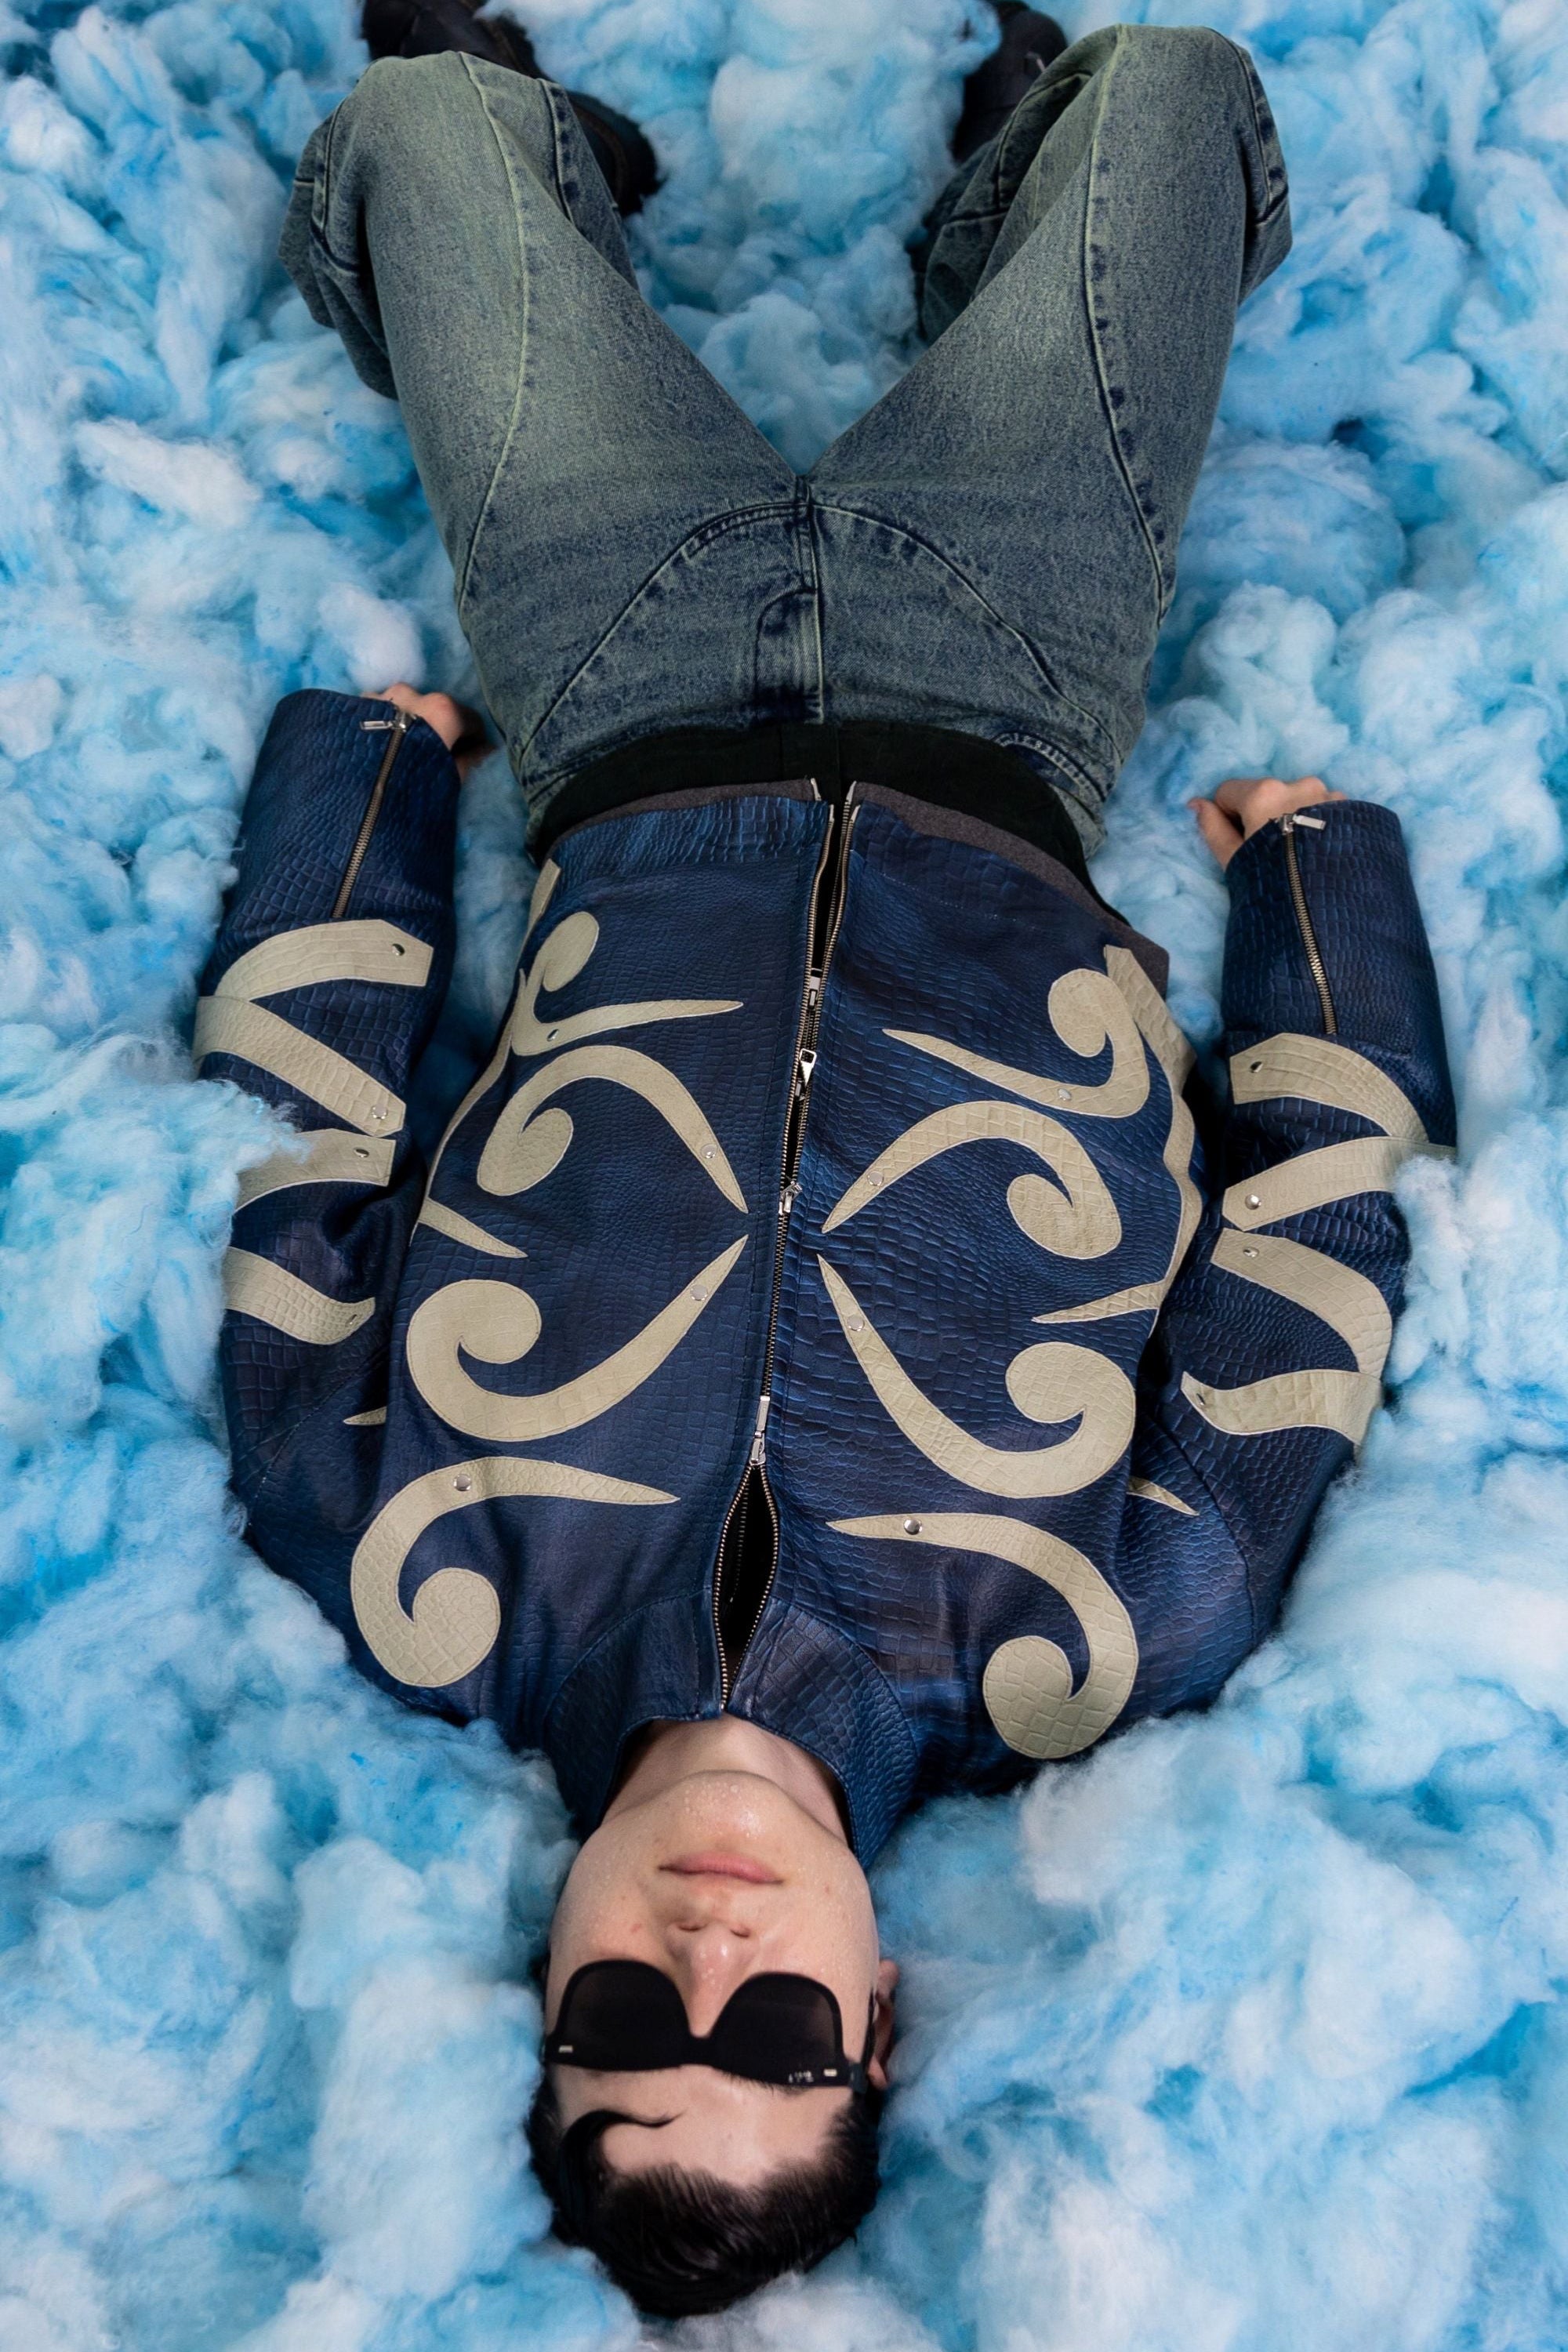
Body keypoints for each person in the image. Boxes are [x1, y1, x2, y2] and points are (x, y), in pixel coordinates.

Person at [194, 0, 1454, 2317]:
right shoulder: (1103, 1639)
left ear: (541, 1999)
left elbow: (301, 1156)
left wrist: (364, 794)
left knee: (422, 123)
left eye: (620, 2029)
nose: (711, 1948)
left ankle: (545, 161)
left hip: (618, 678)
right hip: (1011, 682)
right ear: (879, 2029)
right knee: (1173, 94)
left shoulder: (389, 1562)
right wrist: (1321, 909)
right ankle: (1014, 185)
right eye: (774, 2036)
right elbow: (1319, 1268)